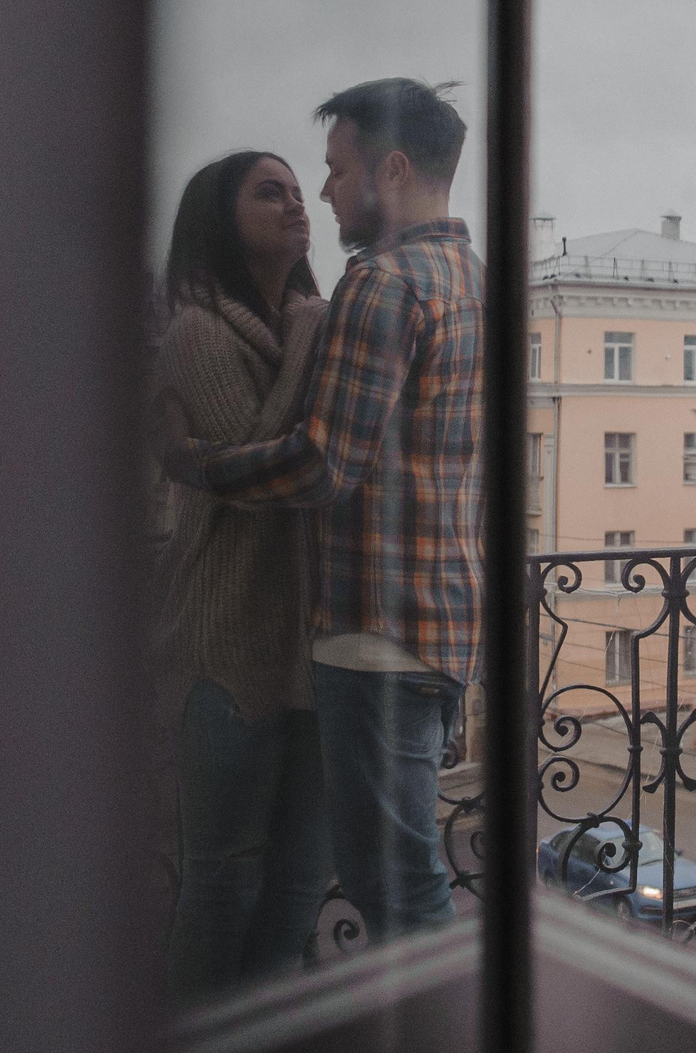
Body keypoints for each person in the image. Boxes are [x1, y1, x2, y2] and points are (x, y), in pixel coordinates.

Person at [165, 79, 483, 944]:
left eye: (337, 170)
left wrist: (200, 466)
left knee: (394, 887)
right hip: (441, 620)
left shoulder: (380, 285)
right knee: (394, 872)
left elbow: (321, 465)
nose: (327, 192)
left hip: (373, 629)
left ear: (389, 169)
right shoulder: (472, 276)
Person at [157, 150, 330, 1001]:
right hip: (225, 652)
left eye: (300, 191)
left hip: (312, 651)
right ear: (217, 218)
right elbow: (261, 474)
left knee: (299, 886)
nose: (297, 204)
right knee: (222, 886)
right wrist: (303, 342)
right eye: (272, 192)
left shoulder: (314, 318)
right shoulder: (197, 328)